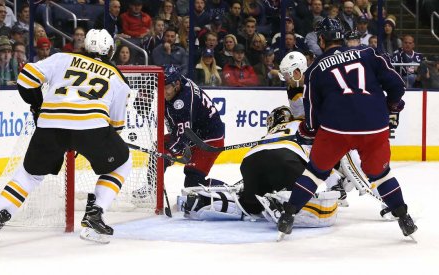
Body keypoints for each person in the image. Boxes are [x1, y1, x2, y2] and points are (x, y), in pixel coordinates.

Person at [0, 29, 132, 244]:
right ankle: (95, 213)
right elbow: (116, 127)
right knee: (122, 163)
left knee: (29, 175)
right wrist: (87, 139)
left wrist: (38, 105)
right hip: (92, 127)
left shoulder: (62, 58)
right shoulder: (117, 78)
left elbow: (26, 78)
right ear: (110, 51)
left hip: (50, 125)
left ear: (86, 47)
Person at [276, 17, 417, 241]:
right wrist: (392, 104)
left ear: (321, 40)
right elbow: (397, 85)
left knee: (314, 173)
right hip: (374, 125)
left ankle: (288, 216)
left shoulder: (314, 70)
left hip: (336, 130)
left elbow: (312, 114)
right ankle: (404, 218)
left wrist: (307, 130)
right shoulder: (369, 53)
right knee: (381, 175)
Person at [179, 106, 341, 228]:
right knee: (300, 196)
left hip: (250, 161)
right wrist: (336, 183)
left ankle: (203, 198)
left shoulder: (269, 134)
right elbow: (322, 158)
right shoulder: (300, 126)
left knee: (250, 206)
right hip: (286, 158)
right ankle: (279, 201)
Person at [162, 65, 225, 188]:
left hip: (209, 141)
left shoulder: (184, 102)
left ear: (177, 84)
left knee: (193, 183)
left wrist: (169, 155)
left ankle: (234, 191)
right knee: (158, 147)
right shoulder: (179, 82)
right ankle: (151, 187)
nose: (163, 92)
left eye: (166, 87)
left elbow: (183, 137)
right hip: (194, 134)